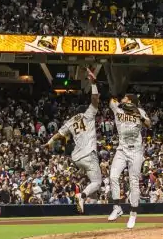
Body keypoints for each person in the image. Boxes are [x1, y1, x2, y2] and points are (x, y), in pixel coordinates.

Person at [43, 70, 101, 214]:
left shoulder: (70, 121)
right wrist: (94, 84)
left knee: (91, 180)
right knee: (97, 182)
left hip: (76, 158)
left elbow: (58, 135)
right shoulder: (87, 115)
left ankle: (86, 199)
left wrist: (49, 142)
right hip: (88, 154)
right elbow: (95, 100)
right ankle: (81, 196)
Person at [106, 94, 150, 229]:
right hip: (121, 149)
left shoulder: (140, 111)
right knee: (113, 176)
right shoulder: (118, 109)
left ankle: (133, 214)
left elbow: (148, 124)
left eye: (125, 98)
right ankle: (117, 207)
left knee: (134, 182)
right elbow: (111, 100)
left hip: (136, 151)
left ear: (130, 100)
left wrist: (138, 114)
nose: (122, 99)